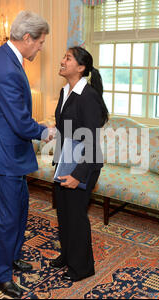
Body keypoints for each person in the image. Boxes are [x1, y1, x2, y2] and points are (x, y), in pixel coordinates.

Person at [0, 11, 53, 299]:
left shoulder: (3, 58)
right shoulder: (5, 67)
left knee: (21, 209)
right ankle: (1, 275)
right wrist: (44, 131)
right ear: (27, 38)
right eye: (41, 42)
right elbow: (20, 121)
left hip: (11, 152)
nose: (41, 48)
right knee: (9, 216)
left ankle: (12, 257)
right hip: (2, 154)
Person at [49, 46, 109, 282]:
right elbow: (67, 129)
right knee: (63, 214)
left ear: (81, 67)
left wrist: (78, 175)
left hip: (83, 165)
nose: (62, 61)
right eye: (63, 56)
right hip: (65, 161)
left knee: (76, 217)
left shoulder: (89, 96)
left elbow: (92, 139)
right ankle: (68, 255)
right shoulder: (66, 91)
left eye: (68, 58)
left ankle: (81, 268)